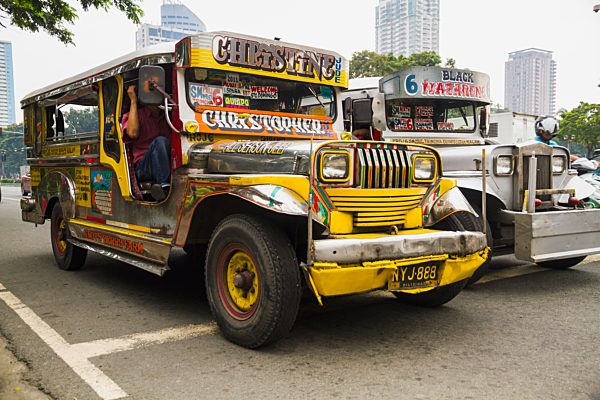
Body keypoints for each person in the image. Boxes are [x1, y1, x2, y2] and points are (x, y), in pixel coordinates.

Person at [122, 85, 171, 201]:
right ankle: (164, 186)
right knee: (160, 141)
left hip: (166, 164)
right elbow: (132, 133)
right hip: (143, 167)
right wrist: (133, 101)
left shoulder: (168, 116)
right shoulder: (137, 115)